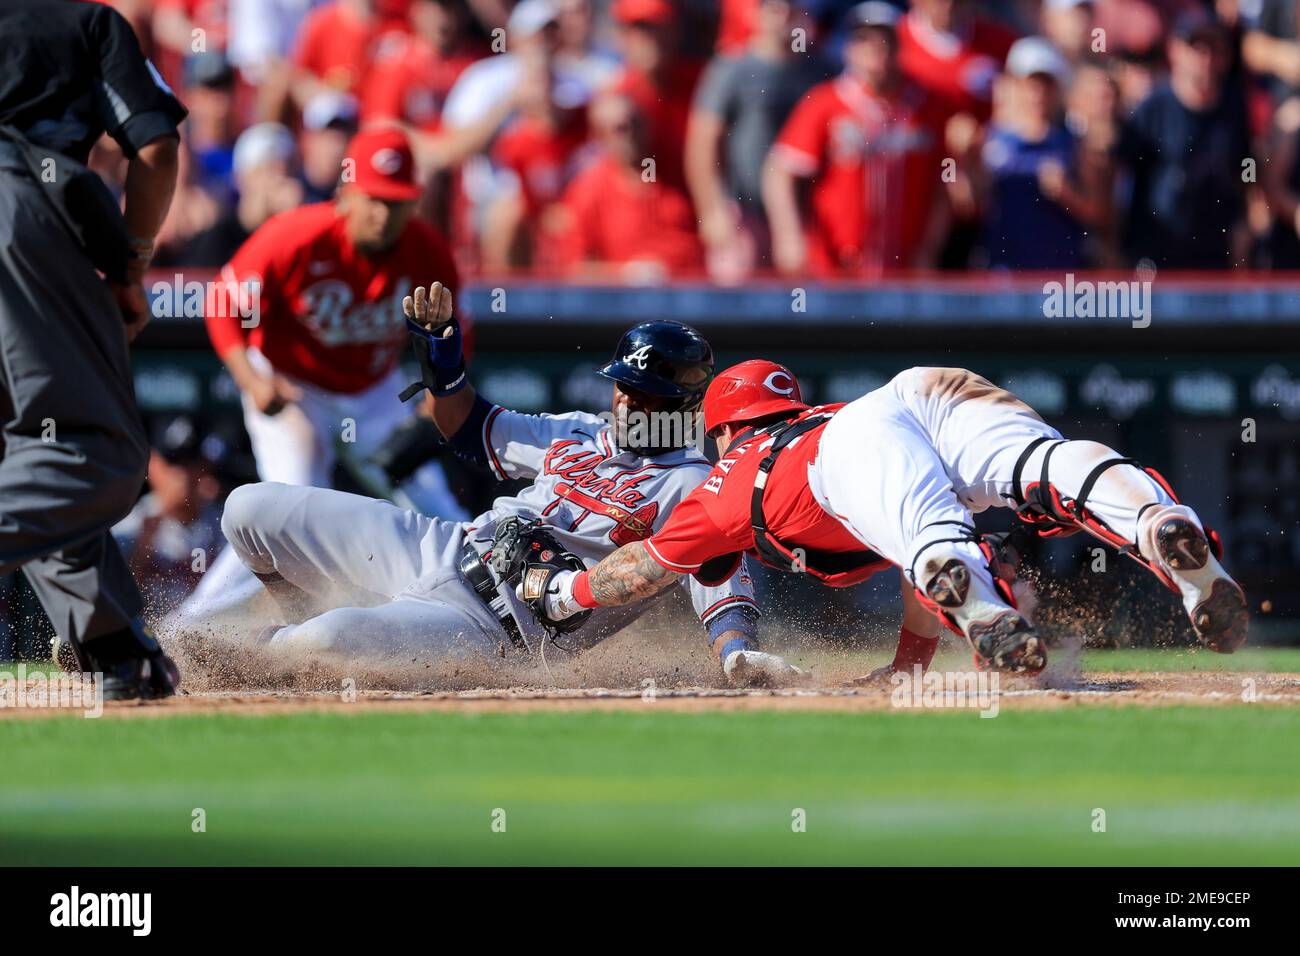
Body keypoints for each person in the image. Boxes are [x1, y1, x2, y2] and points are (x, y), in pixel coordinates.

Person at [207, 287, 781, 685]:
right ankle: (313, 621)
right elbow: (468, 425)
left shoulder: (694, 484)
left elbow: (722, 585)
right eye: (622, 384)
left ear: (682, 402)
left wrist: (737, 655)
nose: (625, 397)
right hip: (445, 545)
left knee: (326, 642)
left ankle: (245, 657)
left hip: (491, 624)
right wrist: (443, 359)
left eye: (642, 390)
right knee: (247, 509)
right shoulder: (579, 431)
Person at [535, 362, 1249, 678]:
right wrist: (907, 669)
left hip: (850, 452)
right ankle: (1155, 520)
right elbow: (918, 562)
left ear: (727, 427)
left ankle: (987, 614)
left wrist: (566, 594)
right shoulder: (823, 417)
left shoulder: (728, 477)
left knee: (934, 540)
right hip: (923, 390)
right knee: (1042, 466)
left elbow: (641, 568)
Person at [174, 126, 468, 629]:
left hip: (374, 392)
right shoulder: (296, 235)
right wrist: (252, 380)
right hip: (294, 386)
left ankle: (484, 615)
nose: (383, 213)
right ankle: (188, 630)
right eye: (373, 199)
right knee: (284, 506)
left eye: (396, 202)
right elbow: (222, 301)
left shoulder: (427, 250)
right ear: (346, 193)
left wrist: (433, 404)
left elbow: (455, 332)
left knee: (435, 504)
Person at [0, 0, 186, 699]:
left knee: (35, 446)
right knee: (88, 452)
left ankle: (112, 644)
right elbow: (157, 148)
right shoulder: (83, 22)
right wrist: (132, 268)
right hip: (16, 212)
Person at [763, 2, 950, 277]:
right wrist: (789, 236)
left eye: (884, 38)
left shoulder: (927, 105)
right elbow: (780, 170)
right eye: (864, 39)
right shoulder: (826, 101)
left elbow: (943, 186)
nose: (875, 47)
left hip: (904, 269)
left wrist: (930, 247)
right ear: (849, 47)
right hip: (836, 269)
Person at [685, 0, 831, 279]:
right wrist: (712, 209)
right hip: (744, 212)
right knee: (739, 304)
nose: (784, 17)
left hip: (804, 218)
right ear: (757, 15)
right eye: (775, 9)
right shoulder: (732, 69)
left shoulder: (817, 69)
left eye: (791, 8)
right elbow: (702, 141)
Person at [1117, 10, 1250, 269]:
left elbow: (1247, 169)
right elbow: (1121, 174)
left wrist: (1246, 220)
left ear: (1226, 56)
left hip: (1215, 258)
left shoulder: (1234, 108)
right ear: (1175, 50)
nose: (1205, 58)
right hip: (1154, 257)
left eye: (1214, 48)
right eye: (1196, 48)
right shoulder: (1151, 108)